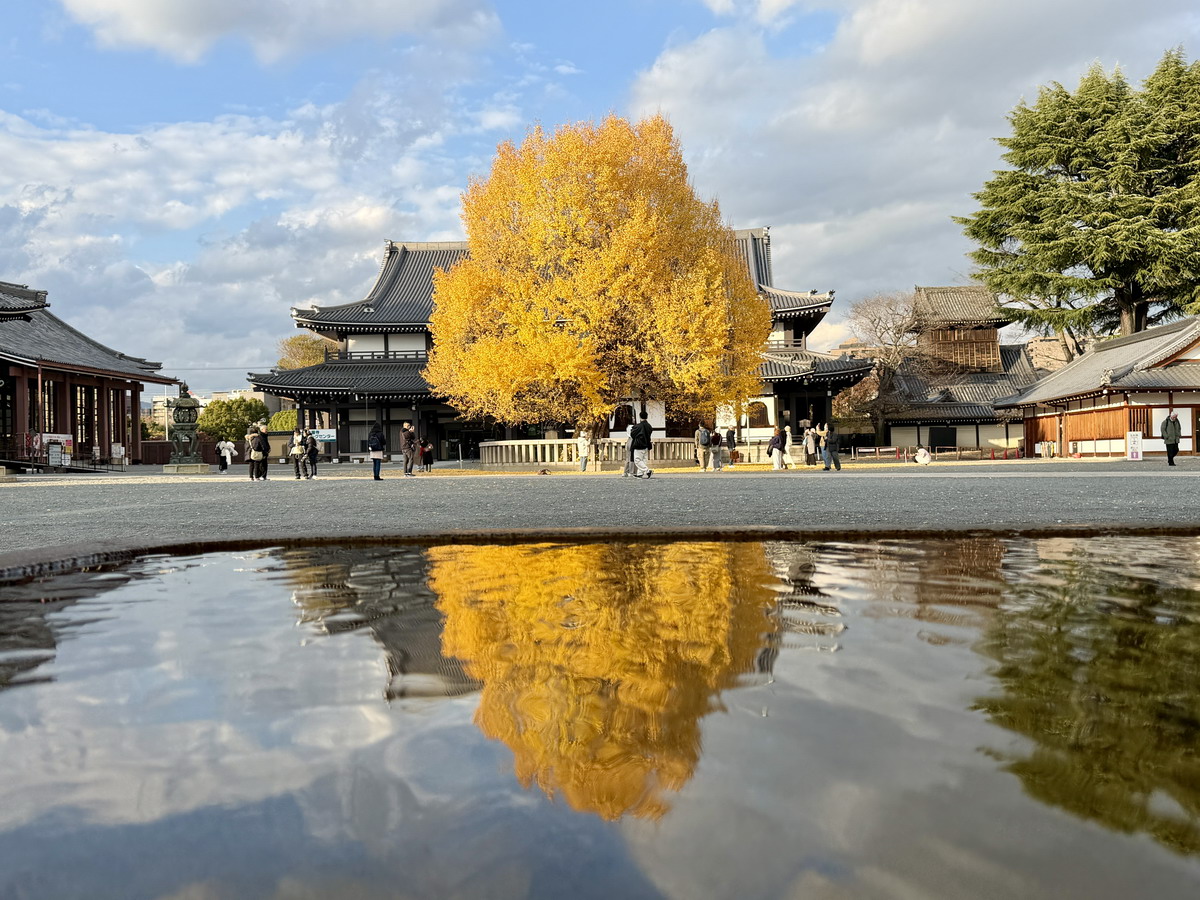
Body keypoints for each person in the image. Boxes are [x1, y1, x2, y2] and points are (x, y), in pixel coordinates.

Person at [630, 411, 654, 478]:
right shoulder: (649, 426)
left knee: (637, 460)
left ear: (640, 417)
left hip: (639, 445)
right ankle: (639, 473)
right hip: (647, 444)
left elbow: (632, 434)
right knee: (643, 460)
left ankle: (647, 471)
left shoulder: (638, 426)